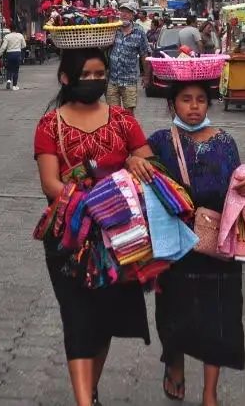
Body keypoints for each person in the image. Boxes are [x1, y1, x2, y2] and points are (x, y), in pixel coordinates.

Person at [33, 48, 155, 406]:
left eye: (99, 74)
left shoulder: (123, 121)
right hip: (69, 235)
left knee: (105, 318)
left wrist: (135, 160)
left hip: (119, 235)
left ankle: (92, 389)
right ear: (66, 78)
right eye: (85, 75)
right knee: (77, 315)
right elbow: (49, 183)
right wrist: (90, 203)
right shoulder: (50, 124)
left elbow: (150, 167)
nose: (94, 81)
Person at [146, 80, 245, 406]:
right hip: (175, 245)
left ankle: (210, 394)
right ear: (173, 105)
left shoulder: (224, 142)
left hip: (218, 244)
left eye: (200, 100)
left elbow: (237, 184)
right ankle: (174, 364)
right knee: (173, 312)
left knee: (218, 318)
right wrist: (134, 162)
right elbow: (142, 175)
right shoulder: (160, 142)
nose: (194, 107)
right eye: (186, 100)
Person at [106, 2, 150, 115]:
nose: (124, 15)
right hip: (113, 79)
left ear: (132, 15)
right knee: (113, 114)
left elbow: (144, 55)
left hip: (129, 80)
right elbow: (103, 46)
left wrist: (146, 76)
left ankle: (127, 132)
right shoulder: (113, 28)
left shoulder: (139, 31)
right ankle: (116, 133)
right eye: (122, 12)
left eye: (127, 13)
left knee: (128, 114)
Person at [0, 24, 28, 91]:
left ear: (10, 29)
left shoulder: (7, 36)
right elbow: (24, 45)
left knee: (9, 69)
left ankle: (9, 80)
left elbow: (3, 47)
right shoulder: (20, 36)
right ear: (16, 29)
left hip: (9, 54)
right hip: (17, 54)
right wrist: (18, 47)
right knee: (16, 70)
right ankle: (14, 86)